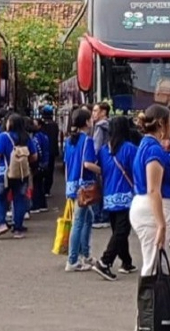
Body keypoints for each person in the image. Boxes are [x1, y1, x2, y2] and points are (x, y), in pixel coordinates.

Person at [130, 104, 170, 331]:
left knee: (153, 264)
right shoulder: (153, 150)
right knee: (153, 265)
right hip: (153, 212)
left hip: (150, 210)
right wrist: (161, 223)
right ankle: (150, 328)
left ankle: (146, 322)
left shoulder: (148, 147)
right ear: (162, 123)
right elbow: (154, 189)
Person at [91, 116, 137, 281]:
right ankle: (105, 261)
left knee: (118, 231)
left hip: (109, 195)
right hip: (126, 195)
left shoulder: (104, 150)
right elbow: (137, 171)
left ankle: (126, 261)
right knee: (121, 231)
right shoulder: (130, 148)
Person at [64, 109, 101, 271]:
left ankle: (85, 254)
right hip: (84, 186)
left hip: (72, 184)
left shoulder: (69, 141)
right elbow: (87, 164)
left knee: (87, 218)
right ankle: (73, 260)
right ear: (86, 122)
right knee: (78, 222)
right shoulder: (87, 141)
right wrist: (101, 170)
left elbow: (66, 164)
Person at [0, 113, 37, 239]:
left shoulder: (3, 136)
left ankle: (1, 224)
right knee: (20, 199)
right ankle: (18, 229)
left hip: (4, 173)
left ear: (10, 124)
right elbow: (34, 156)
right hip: (22, 174)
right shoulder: (26, 137)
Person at [91, 102, 111, 229]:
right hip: (109, 160)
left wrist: (93, 160)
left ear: (103, 112)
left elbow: (96, 147)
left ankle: (99, 217)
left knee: (98, 188)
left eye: (95, 111)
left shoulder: (99, 127)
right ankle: (106, 215)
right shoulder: (111, 125)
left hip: (100, 162)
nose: (93, 114)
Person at [30, 118, 50, 213]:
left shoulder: (36, 138)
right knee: (40, 184)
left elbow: (37, 151)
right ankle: (42, 205)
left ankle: (36, 205)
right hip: (45, 163)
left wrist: (35, 162)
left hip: (39, 163)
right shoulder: (44, 136)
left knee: (36, 185)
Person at [41, 106, 60, 197]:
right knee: (50, 170)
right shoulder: (54, 125)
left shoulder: (42, 124)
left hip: (43, 150)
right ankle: (47, 189)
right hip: (51, 150)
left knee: (42, 170)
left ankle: (42, 189)